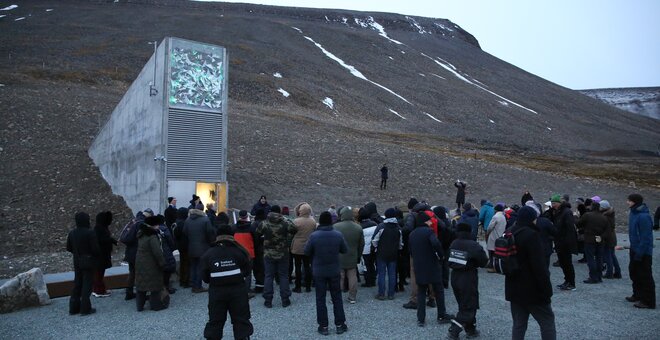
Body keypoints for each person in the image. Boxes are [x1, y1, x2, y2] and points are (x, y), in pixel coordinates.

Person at [505, 206, 556, 340]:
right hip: (533, 289)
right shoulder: (531, 235)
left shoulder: (509, 232)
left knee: (519, 324)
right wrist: (547, 290)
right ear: (531, 219)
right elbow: (539, 267)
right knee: (547, 321)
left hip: (513, 287)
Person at [201, 224, 254, 340]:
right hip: (238, 291)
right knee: (241, 319)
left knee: (215, 320)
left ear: (217, 236)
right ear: (232, 235)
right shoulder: (240, 250)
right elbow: (247, 270)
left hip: (216, 292)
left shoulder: (209, 253)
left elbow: (205, 277)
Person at [305, 211, 348, 336]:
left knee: (320, 298)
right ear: (331, 221)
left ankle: (323, 326)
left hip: (319, 271)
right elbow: (344, 249)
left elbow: (307, 251)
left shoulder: (314, 236)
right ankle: (340, 325)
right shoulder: (338, 234)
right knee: (337, 297)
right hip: (334, 270)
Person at [408, 213, 452, 327]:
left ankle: (421, 319)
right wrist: (441, 255)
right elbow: (436, 243)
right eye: (429, 221)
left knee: (421, 292)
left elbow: (411, 251)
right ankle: (441, 315)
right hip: (432, 265)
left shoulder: (412, 234)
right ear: (425, 222)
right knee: (439, 290)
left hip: (419, 266)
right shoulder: (429, 232)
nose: (431, 222)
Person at [447, 222, 488, 339]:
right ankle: (454, 330)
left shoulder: (454, 243)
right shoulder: (473, 245)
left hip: (455, 277)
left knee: (463, 304)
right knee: (470, 305)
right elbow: (483, 261)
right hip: (468, 277)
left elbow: (448, 259)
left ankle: (471, 329)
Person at [255, 205, 297, 308]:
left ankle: (268, 300)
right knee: (283, 276)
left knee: (269, 276)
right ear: (280, 212)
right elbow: (294, 229)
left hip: (268, 253)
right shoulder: (285, 222)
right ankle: (285, 299)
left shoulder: (265, 223)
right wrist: (288, 240)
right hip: (283, 253)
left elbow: (257, 233)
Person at [67, 212, 101, 315]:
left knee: (77, 283)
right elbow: (95, 249)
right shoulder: (90, 233)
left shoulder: (72, 233)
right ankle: (85, 308)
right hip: (88, 261)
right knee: (87, 285)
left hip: (76, 260)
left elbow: (69, 248)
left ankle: (73, 308)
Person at [625, 193, 656, 309]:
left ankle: (648, 301)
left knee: (645, 276)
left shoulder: (643, 216)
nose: (627, 202)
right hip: (635, 249)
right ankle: (637, 294)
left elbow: (646, 237)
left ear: (634, 202)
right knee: (634, 272)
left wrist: (640, 253)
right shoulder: (633, 213)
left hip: (643, 252)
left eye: (629, 200)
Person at [135, 216, 169, 311]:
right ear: (153, 225)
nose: (158, 226)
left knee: (141, 285)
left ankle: (139, 306)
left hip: (139, 262)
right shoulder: (152, 236)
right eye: (157, 224)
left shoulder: (141, 234)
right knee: (155, 286)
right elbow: (157, 252)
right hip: (151, 264)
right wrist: (162, 263)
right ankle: (155, 305)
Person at [333, 206, 364, 304]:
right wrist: (359, 256)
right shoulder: (358, 227)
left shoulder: (336, 227)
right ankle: (352, 297)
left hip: (339, 256)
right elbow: (361, 244)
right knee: (352, 276)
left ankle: (336, 297)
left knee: (339, 277)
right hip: (352, 255)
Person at [184, 203, 216, 293]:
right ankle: (198, 286)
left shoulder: (188, 220)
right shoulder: (205, 220)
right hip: (203, 247)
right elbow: (210, 233)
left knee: (193, 266)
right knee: (199, 267)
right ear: (202, 210)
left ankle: (193, 284)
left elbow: (185, 232)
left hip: (191, 247)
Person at [372, 208, 402, 300]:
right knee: (392, 274)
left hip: (381, 253)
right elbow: (400, 243)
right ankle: (391, 294)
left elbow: (374, 240)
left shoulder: (381, 226)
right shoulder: (398, 228)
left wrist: (376, 247)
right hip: (393, 253)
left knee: (381, 274)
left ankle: (381, 294)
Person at [120, 209, 149, 300]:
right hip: (138, 253)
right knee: (140, 273)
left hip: (129, 253)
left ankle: (129, 293)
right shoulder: (141, 224)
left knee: (132, 273)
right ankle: (141, 294)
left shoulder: (133, 222)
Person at [551, 194, 578, 291]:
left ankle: (571, 283)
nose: (552, 205)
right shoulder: (558, 212)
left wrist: (568, 243)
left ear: (559, 203)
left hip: (565, 243)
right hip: (559, 242)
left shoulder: (566, 212)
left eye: (554, 203)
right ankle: (567, 281)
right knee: (563, 263)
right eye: (552, 203)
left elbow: (570, 229)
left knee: (567, 263)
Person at [576, 202, 607, 284]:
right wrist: (601, 237)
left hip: (589, 239)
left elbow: (578, 224)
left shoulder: (587, 215)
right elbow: (608, 230)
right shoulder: (604, 217)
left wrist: (576, 217)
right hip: (600, 239)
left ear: (592, 207)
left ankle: (593, 277)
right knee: (599, 258)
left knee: (590, 259)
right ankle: (599, 276)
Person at [291, 203, 316, 293]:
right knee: (307, 266)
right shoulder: (313, 221)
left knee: (297, 266)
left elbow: (291, 232)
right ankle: (308, 286)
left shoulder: (296, 221)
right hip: (308, 245)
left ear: (300, 211)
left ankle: (298, 286)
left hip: (297, 246)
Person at [93, 211, 116, 298]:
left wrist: (111, 240)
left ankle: (98, 289)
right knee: (99, 274)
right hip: (101, 255)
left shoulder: (99, 228)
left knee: (99, 273)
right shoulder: (100, 229)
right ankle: (99, 291)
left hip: (101, 255)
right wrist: (111, 240)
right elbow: (102, 240)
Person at [233, 210, 256, 295]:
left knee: (237, 271)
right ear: (247, 217)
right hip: (249, 252)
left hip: (237, 252)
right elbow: (255, 239)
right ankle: (247, 290)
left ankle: (238, 289)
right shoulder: (251, 227)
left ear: (239, 216)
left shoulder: (234, 227)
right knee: (248, 272)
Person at [599, 200, 621, 279]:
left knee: (608, 256)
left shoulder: (606, 217)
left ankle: (609, 273)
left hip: (608, 239)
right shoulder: (610, 215)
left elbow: (606, 230)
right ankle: (617, 272)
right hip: (612, 238)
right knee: (612, 255)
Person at [359, 208, 378, 288]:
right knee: (372, 264)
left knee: (366, 266)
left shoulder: (360, 227)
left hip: (364, 249)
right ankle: (373, 280)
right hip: (373, 248)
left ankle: (368, 282)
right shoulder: (374, 224)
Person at [485, 204, 506, 272]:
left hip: (494, 236)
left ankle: (492, 265)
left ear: (496, 210)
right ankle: (496, 265)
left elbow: (490, 227)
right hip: (500, 235)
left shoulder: (495, 217)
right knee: (497, 252)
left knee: (491, 251)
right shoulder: (503, 216)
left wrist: (487, 233)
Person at [172, 207, 190, 288]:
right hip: (186, 245)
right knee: (186, 263)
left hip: (180, 245)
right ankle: (185, 281)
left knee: (183, 263)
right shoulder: (184, 223)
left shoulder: (177, 222)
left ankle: (182, 280)